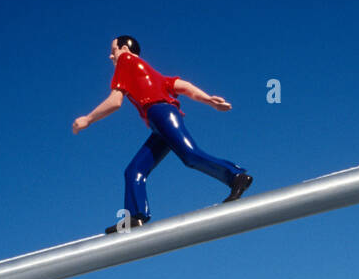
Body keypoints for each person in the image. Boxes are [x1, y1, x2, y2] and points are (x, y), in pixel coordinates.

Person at [72, 35, 253, 233]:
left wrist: (88, 119)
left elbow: (116, 101)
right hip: (158, 123)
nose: (110, 56)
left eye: (113, 50)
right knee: (134, 170)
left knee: (190, 155)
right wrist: (208, 99)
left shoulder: (126, 60)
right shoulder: (147, 71)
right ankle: (135, 217)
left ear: (124, 48)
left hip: (161, 114)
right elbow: (181, 86)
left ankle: (236, 177)